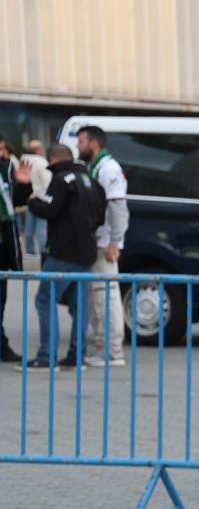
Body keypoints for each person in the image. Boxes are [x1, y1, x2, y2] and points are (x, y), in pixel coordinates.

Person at [22, 143, 101, 369]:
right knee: (80, 304)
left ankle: (47, 355)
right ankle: (77, 355)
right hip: (87, 251)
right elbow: (100, 213)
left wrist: (33, 201)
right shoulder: (88, 180)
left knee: (45, 299)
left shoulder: (60, 179)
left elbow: (50, 210)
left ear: (53, 161)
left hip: (64, 252)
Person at [70, 125, 129, 368]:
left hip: (105, 244)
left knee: (106, 296)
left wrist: (115, 242)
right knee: (98, 297)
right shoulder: (95, 167)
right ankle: (103, 346)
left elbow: (117, 208)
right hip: (98, 241)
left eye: (81, 141)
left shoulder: (108, 169)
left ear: (93, 144)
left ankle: (112, 351)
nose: (78, 146)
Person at [0, 137, 20, 362]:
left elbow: (16, 200)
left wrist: (22, 183)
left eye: (4, 150)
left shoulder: (6, 175)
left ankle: (1, 346)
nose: (3, 154)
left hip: (3, 249)